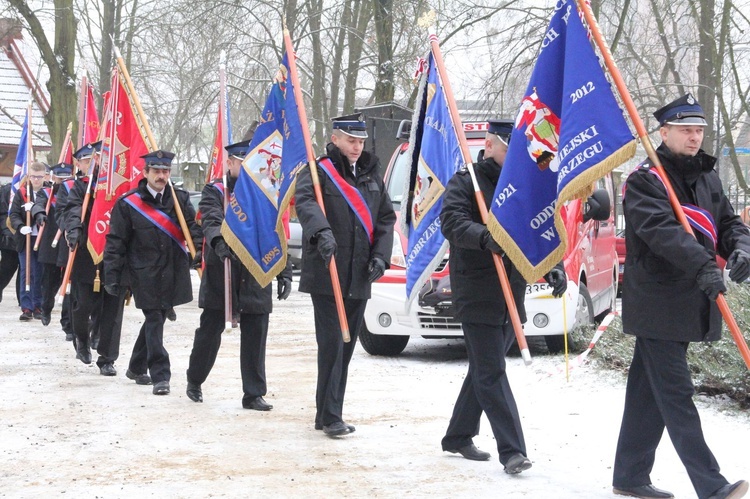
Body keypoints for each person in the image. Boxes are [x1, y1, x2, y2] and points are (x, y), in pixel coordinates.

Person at [612, 94, 749, 499]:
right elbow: (662, 234)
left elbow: (727, 223)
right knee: (676, 395)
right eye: (686, 130)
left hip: (691, 299)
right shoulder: (643, 180)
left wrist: (742, 249)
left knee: (646, 393)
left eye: (699, 130)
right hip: (657, 304)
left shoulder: (707, 176)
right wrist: (705, 265)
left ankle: (630, 476)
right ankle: (711, 485)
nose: (695, 137)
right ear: (664, 132)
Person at [438, 119, 566, 474]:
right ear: (490, 145)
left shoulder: (523, 183)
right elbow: (451, 221)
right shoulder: (467, 181)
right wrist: (484, 236)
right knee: (492, 371)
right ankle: (512, 451)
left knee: (482, 368)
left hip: (512, 290)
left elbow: (536, 230)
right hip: (477, 289)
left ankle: (458, 436)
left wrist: (551, 265)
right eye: (509, 150)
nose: (515, 158)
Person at [295, 113, 395, 436]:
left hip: (360, 274)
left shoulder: (371, 173)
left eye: (361, 141)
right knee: (332, 344)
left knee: (346, 347)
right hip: (328, 273)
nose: (357, 147)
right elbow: (305, 202)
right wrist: (321, 232)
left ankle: (324, 412)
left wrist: (381, 256)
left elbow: (385, 219)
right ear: (335, 138)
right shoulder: (319, 171)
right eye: (351, 141)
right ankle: (332, 416)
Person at [185, 139, 293, 410]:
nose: (246, 170)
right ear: (230, 163)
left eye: (251, 165)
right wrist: (218, 242)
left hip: (257, 272)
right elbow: (210, 218)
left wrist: (284, 270)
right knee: (210, 330)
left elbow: (276, 232)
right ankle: (195, 379)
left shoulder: (265, 192)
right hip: (223, 269)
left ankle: (253, 393)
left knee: (256, 332)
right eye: (241, 164)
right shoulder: (215, 191)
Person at [104, 150, 202, 395]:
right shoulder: (128, 203)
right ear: (145, 172)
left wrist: (199, 251)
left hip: (172, 271)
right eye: (156, 171)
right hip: (143, 273)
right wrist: (112, 276)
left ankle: (136, 367)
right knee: (155, 318)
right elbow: (116, 242)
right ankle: (160, 375)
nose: (161, 176)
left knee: (153, 319)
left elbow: (192, 229)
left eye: (165, 171)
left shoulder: (179, 200)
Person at [33, 163, 73, 330]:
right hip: (50, 243)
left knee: (69, 285)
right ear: (53, 177)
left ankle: (67, 322)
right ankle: (46, 309)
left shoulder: (75, 193)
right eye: (59, 178)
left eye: (66, 178)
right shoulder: (46, 193)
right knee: (49, 281)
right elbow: (38, 205)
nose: (62, 181)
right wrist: (40, 214)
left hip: (68, 242)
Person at [9, 161, 47, 321]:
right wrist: (21, 226)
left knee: (40, 273)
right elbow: (14, 214)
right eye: (33, 176)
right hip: (26, 238)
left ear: (44, 176)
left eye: (39, 177)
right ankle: (27, 307)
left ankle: (38, 305)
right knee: (26, 271)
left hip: (43, 238)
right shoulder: (23, 192)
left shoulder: (49, 191)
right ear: (29, 176)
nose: (36, 180)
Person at [0, 182, 20, 304]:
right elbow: (3, 214)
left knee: (26, 269)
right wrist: (8, 231)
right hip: (9, 236)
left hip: (28, 235)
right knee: (8, 266)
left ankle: (24, 301)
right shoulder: (8, 189)